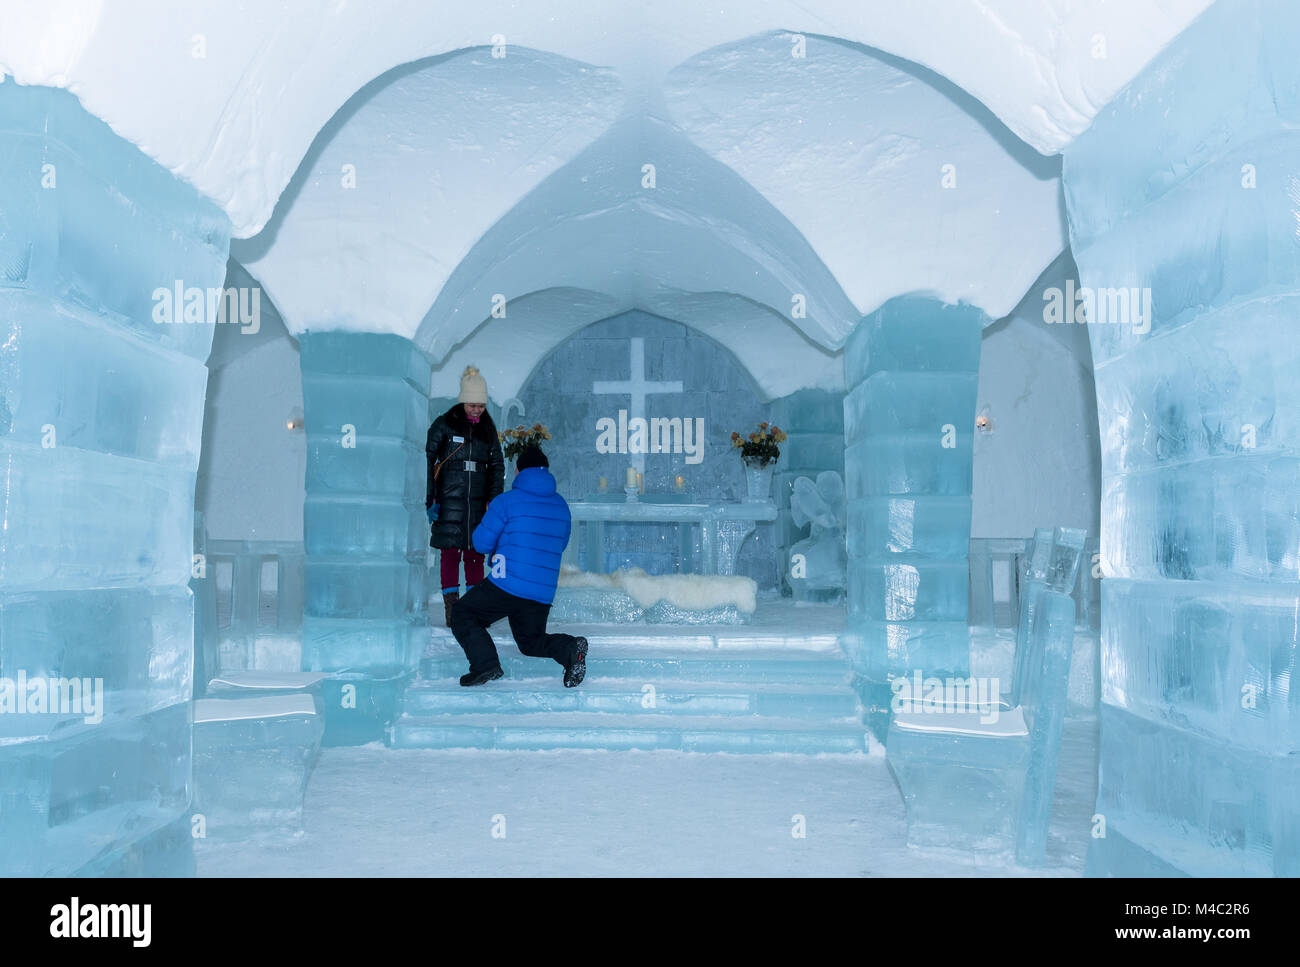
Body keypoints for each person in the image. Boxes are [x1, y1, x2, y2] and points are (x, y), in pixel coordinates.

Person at [449, 445, 588, 688]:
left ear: (519, 471)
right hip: (541, 592)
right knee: (531, 643)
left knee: (463, 613)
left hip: (507, 583)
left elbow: (480, 543)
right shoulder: (561, 506)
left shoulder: (506, 502)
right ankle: (569, 649)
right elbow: (561, 544)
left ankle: (485, 664)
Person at [426, 365, 505, 625]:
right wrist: (431, 499)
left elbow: (497, 465)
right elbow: (427, 458)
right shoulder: (445, 423)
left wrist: (493, 500)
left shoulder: (487, 428)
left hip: (478, 503)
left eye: (480, 405)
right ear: (462, 402)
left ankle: (472, 610)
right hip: (449, 500)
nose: (477, 410)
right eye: (472, 405)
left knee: (475, 554)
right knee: (450, 554)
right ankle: (452, 609)